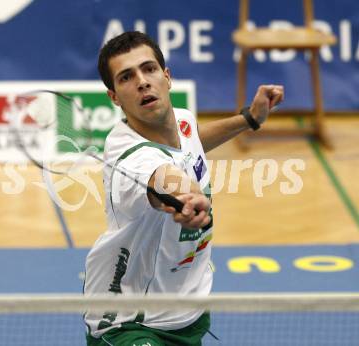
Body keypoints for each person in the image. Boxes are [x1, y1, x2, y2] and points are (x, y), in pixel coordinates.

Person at [84, 31, 284, 345]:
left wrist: (250, 119)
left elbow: (192, 143)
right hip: (130, 319)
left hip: (187, 312)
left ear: (167, 77)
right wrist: (190, 198)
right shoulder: (129, 157)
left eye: (148, 69)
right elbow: (163, 179)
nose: (142, 81)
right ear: (114, 97)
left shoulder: (182, 121)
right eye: (126, 77)